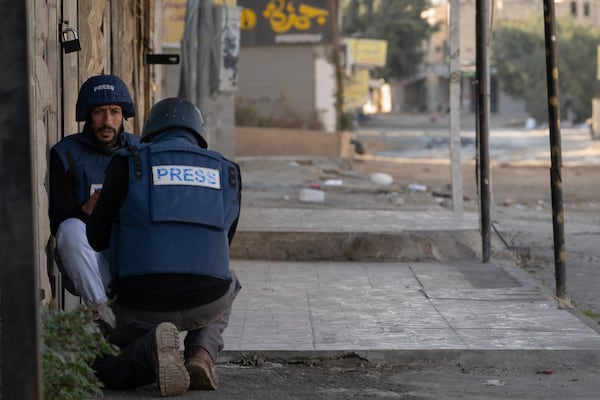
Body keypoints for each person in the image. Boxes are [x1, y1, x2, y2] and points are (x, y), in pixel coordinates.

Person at [86, 97, 242, 397]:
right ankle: (201, 354)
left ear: (150, 132)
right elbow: (225, 240)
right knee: (229, 280)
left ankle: (152, 349)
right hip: (207, 299)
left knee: (98, 363)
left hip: (140, 304)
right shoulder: (229, 171)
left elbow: (96, 239)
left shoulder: (128, 162)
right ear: (199, 133)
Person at [49, 74, 139, 304]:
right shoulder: (66, 153)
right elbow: (58, 222)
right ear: (89, 116)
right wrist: (86, 209)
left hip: (135, 255)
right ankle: (102, 314)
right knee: (69, 229)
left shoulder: (142, 150)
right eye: (99, 112)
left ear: (123, 115)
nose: (107, 121)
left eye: (114, 112)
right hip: (92, 259)